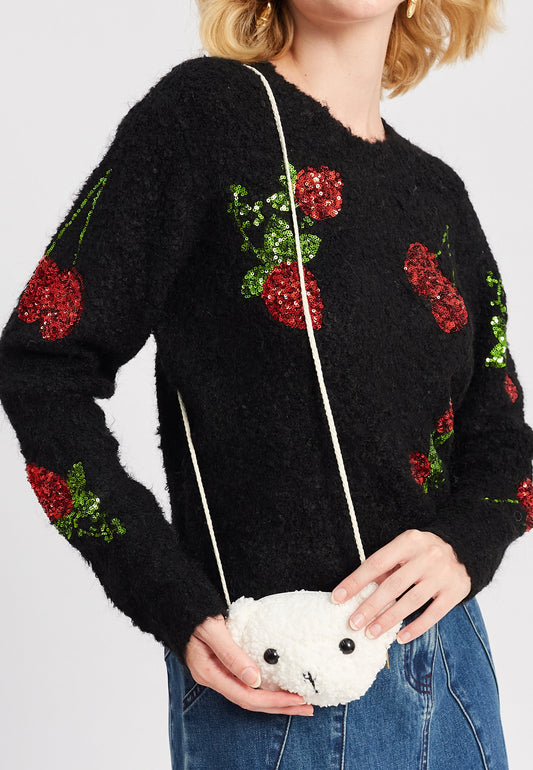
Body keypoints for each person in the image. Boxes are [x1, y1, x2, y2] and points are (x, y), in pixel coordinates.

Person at [1, 0, 532, 767]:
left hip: (450, 675)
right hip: (281, 684)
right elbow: (41, 362)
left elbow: (504, 441)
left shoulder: (437, 192)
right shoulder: (206, 116)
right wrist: (168, 596)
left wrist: (463, 544)